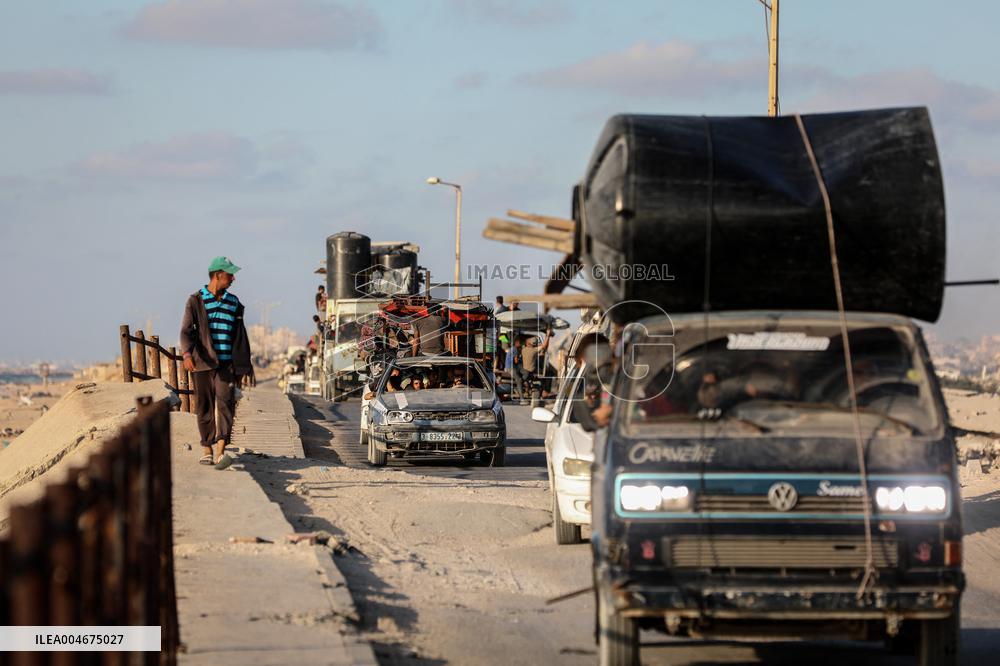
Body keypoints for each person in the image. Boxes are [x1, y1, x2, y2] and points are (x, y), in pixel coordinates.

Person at [180, 256, 254, 469]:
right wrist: (187, 355)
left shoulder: (234, 303)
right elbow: (186, 331)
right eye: (230, 275)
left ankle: (221, 451)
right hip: (202, 363)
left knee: (225, 404)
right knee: (204, 406)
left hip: (226, 366)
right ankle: (206, 449)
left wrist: (243, 366)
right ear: (217, 275)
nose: (233, 279)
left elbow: (240, 336)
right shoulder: (196, 300)